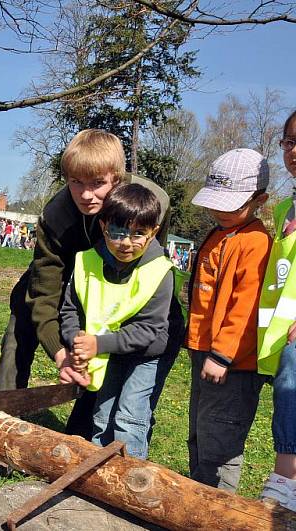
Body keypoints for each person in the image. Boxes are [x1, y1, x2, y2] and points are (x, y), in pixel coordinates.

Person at [0, 129, 171, 478]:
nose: (86, 194)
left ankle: (88, 434)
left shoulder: (150, 199)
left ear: (118, 177)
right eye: (75, 182)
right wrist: (58, 350)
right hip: (68, 274)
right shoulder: (56, 213)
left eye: (98, 183)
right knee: (20, 324)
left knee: (111, 340)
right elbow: (45, 290)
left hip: (115, 278)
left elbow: (152, 265)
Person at [60, 184, 184, 459]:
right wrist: (76, 341)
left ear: (153, 232)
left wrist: (98, 344)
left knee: (130, 415)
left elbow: (150, 330)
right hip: (110, 349)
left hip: (148, 353)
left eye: (138, 234)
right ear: (103, 226)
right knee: (103, 413)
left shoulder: (160, 271)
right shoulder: (85, 262)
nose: (126, 242)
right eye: (117, 232)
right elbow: (70, 309)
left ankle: (131, 477)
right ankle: (98, 474)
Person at [186, 148, 271, 492]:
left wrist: (222, 354)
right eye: (215, 202)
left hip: (231, 367)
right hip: (202, 354)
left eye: (230, 204)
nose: (219, 210)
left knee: (220, 442)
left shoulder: (255, 242)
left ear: (259, 199)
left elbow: (246, 307)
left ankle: (218, 508)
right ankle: (196, 500)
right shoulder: (220, 232)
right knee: (199, 434)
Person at [257, 112, 296, 511]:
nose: (294, 151)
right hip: (283, 335)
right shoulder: (287, 208)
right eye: (289, 142)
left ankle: (287, 478)